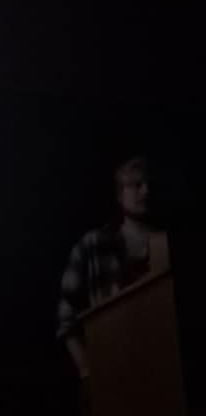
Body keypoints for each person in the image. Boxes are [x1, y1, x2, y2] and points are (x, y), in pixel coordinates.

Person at [56, 156, 167, 380]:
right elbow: (66, 314)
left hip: (163, 368)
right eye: (136, 185)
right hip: (114, 370)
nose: (145, 191)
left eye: (149, 185)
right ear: (119, 195)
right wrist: (86, 370)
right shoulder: (94, 244)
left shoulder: (167, 243)